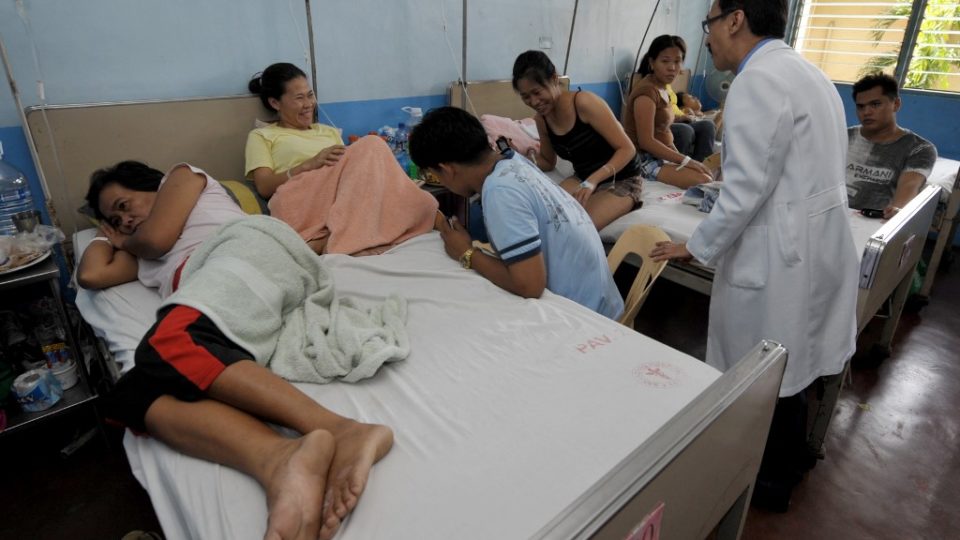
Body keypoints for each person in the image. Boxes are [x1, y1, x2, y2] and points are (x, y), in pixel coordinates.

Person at [76, 161, 393, 540]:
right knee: (131, 394)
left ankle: (342, 430)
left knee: (171, 342)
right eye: (115, 218)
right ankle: (278, 460)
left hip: (248, 250)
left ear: (153, 186)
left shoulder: (181, 177)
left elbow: (157, 238)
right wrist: (101, 234)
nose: (124, 221)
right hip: (223, 295)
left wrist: (122, 239)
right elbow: (91, 275)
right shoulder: (139, 252)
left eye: (125, 205)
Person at [650, 0, 859, 512]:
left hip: (782, 252)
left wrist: (694, 246)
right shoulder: (808, 72)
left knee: (766, 369)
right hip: (815, 240)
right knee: (795, 359)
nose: (707, 39)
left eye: (710, 25)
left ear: (735, 19)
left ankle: (767, 482)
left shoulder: (756, 81)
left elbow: (745, 190)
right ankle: (790, 462)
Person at [409, 106, 624, 321]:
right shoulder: (512, 161)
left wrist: (466, 253)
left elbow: (530, 285)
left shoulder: (500, 191)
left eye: (432, 173)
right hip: (602, 299)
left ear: (446, 169)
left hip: (587, 317)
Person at [245, 62, 439, 254]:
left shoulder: (329, 132)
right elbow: (264, 186)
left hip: (333, 197)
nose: (308, 105)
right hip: (298, 199)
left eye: (310, 95)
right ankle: (347, 242)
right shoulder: (263, 136)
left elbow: (351, 181)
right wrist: (309, 164)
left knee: (374, 151)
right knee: (372, 143)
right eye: (299, 98)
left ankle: (335, 238)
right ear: (275, 103)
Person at [511, 50, 644, 231]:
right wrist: (517, 158)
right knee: (541, 216)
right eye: (526, 96)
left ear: (554, 79)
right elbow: (548, 162)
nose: (534, 102)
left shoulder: (584, 103)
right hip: (583, 177)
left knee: (577, 228)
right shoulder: (541, 120)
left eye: (537, 92)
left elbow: (628, 149)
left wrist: (593, 181)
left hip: (622, 178)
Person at [622, 35, 714, 189]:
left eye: (677, 61)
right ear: (652, 63)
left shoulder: (663, 87)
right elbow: (646, 141)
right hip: (643, 159)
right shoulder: (646, 93)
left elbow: (665, 134)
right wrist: (685, 160)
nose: (672, 67)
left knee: (707, 175)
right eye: (665, 61)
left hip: (660, 156)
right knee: (703, 182)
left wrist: (683, 159)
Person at [847, 72, 938, 219]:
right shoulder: (844, 136)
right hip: (829, 216)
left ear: (896, 104)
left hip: (876, 222)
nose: (866, 112)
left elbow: (909, 186)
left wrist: (898, 211)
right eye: (861, 107)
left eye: (875, 104)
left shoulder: (919, 149)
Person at [671, 89, 718, 163]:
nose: (696, 98)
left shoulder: (707, 113)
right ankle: (683, 165)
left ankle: (702, 165)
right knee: (707, 125)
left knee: (708, 124)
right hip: (684, 122)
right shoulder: (686, 111)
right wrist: (720, 117)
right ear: (682, 107)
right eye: (691, 98)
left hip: (695, 121)